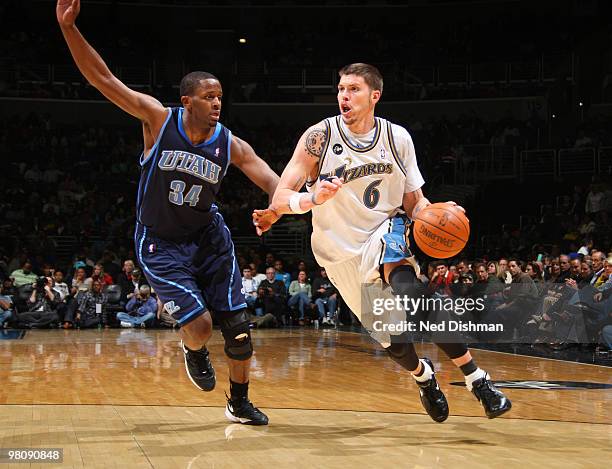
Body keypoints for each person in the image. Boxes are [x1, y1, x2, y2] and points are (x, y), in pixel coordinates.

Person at [57, 0, 279, 425]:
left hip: (208, 238)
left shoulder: (229, 143)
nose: (217, 103)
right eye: (208, 97)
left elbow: (271, 180)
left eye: (220, 96)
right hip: (160, 242)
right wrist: (69, 29)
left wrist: (304, 201)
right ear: (187, 100)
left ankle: (239, 402)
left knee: (239, 331)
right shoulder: (158, 120)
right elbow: (103, 79)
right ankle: (192, 350)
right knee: (199, 327)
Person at [254, 63, 511, 421]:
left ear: (374, 95)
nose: (344, 95)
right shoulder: (320, 137)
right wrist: (312, 200)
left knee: (415, 294)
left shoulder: (397, 138)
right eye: (341, 89)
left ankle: (477, 379)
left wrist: (437, 210)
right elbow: (281, 196)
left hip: (385, 231)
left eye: (354, 89)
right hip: (338, 251)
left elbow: (413, 202)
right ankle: (424, 378)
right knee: (397, 344)